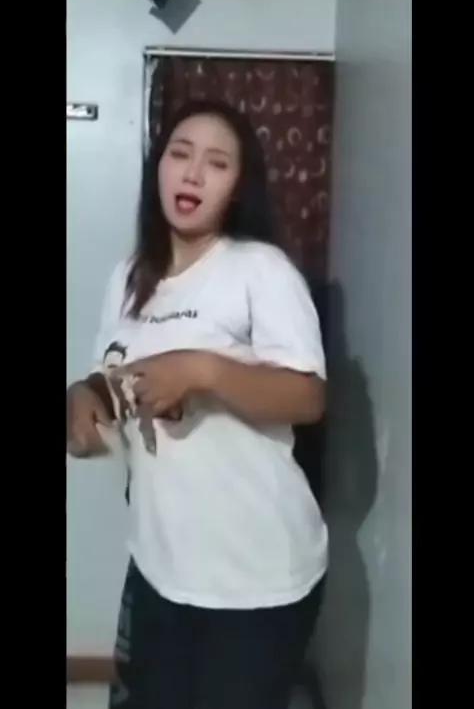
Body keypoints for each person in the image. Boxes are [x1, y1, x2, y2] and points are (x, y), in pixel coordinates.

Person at [67, 99, 328, 709]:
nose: (192, 173)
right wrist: (85, 396)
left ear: (237, 187)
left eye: (217, 163)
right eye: (179, 154)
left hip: (255, 576)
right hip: (160, 562)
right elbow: (116, 375)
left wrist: (202, 370)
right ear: (157, 166)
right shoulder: (129, 276)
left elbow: (308, 397)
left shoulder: (259, 270)